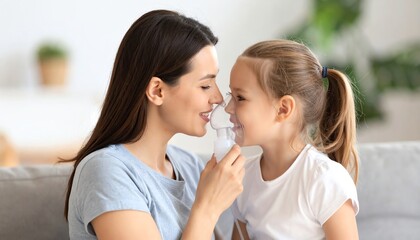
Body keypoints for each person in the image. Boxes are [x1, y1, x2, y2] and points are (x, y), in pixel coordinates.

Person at [62, 9, 245, 240]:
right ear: (157, 90)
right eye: (205, 85)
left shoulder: (190, 166)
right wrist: (207, 208)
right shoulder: (107, 171)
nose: (218, 98)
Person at [227, 39, 360, 240]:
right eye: (231, 95)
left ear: (283, 109)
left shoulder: (323, 179)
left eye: (240, 98)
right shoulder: (242, 177)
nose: (228, 107)